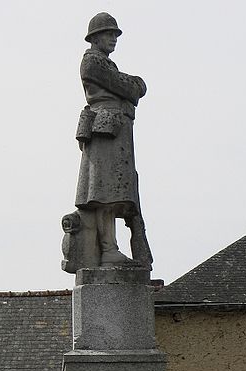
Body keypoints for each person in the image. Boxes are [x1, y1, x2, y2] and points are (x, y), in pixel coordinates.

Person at [74, 12, 151, 267]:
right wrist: (136, 85)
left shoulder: (103, 63)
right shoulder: (93, 63)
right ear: (95, 38)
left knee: (114, 191)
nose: (114, 39)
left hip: (113, 131)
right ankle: (108, 248)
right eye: (109, 34)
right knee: (104, 192)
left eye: (115, 35)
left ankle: (111, 247)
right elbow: (129, 88)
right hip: (105, 130)